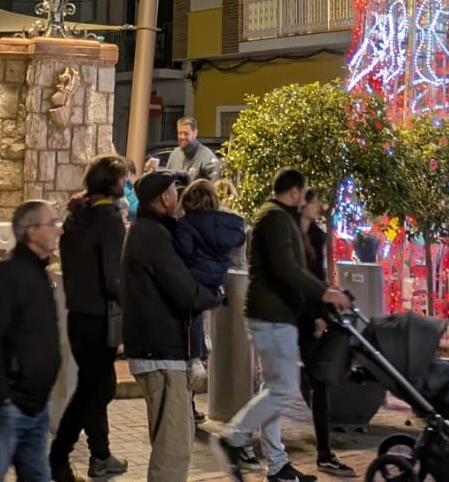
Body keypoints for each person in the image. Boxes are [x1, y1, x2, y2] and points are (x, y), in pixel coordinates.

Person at [216, 169, 351, 482]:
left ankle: (276, 464)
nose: (307, 199)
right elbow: (287, 268)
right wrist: (324, 292)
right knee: (284, 388)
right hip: (272, 317)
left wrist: (314, 309)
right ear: (293, 192)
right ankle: (233, 438)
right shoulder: (275, 219)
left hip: (277, 315)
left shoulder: (277, 218)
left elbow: (289, 269)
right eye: (304, 192)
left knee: (272, 388)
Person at [121, 171, 223, 482]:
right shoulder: (152, 236)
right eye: (173, 191)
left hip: (159, 351)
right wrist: (215, 296)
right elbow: (181, 288)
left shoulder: (153, 231)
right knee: (173, 449)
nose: (178, 196)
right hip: (161, 353)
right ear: (164, 198)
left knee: (172, 441)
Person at [0, 198, 64, 482]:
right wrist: (2, 394)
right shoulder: (8, 275)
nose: (58, 230)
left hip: (36, 405)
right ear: (32, 231)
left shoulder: (39, 272)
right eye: (52, 224)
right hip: (8, 406)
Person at [54, 156, 130, 482]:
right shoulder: (108, 219)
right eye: (123, 180)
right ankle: (58, 455)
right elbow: (114, 278)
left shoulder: (76, 219)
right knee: (94, 390)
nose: (126, 185)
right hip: (101, 317)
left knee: (94, 386)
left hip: (78, 316)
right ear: (112, 183)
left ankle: (100, 455)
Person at [296, 188, 354, 476]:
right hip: (294, 318)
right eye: (316, 203)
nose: (319, 208)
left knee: (319, 384)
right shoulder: (290, 236)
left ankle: (324, 451)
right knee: (283, 387)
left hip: (311, 316)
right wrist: (318, 315)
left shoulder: (315, 236)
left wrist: (324, 311)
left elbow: (316, 277)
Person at [175, 176, 247, 384]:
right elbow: (238, 245)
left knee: (192, 316)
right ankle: (204, 356)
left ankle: (196, 359)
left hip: (195, 278)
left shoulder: (187, 223)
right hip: (218, 280)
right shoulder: (230, 224)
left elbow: (185, 250)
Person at [164, 118, 221, 183]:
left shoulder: (207, 157)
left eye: (186, 133)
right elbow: (166, 181)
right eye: (180, 133)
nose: (182, 137)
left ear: (195, 133)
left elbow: (214, 187)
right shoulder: (174, 155)